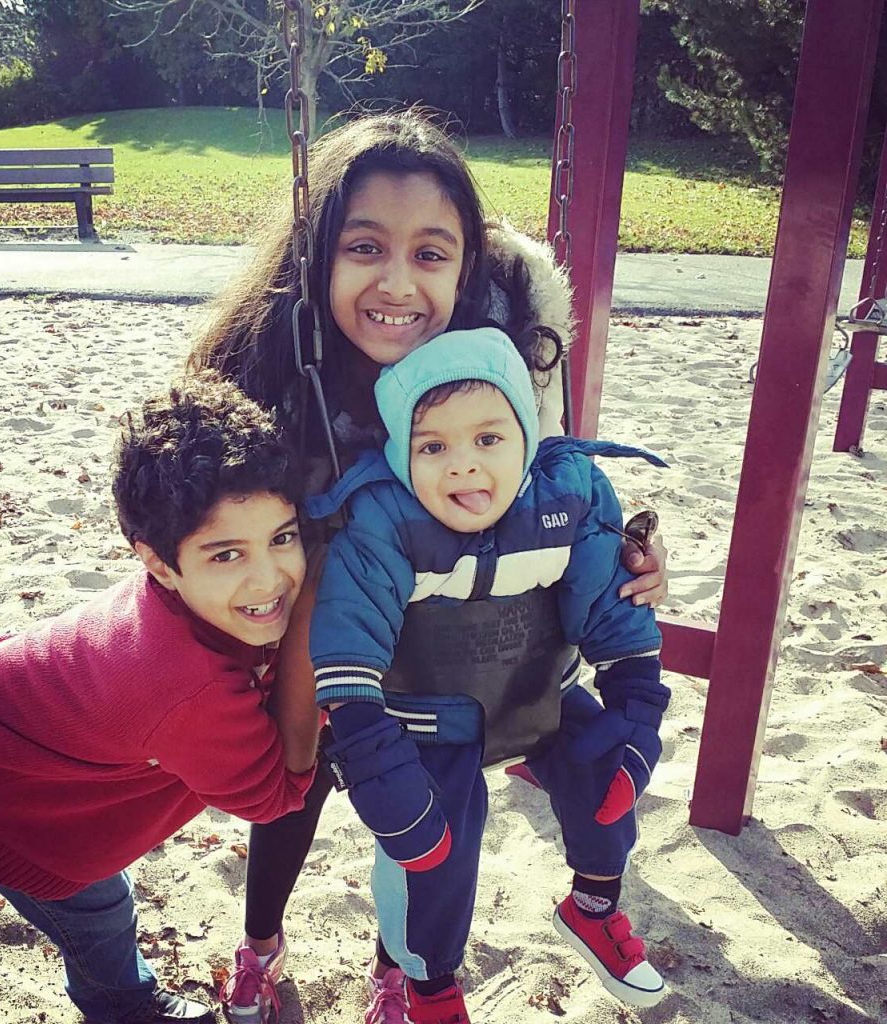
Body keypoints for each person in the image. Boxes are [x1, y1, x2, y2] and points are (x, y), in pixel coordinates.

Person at [188, 108, 669, 1024]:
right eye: (365, 248)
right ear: (318, 254)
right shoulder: (272, 361)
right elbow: (198, 522)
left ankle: (399, 972)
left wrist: (633, 549)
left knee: (423, 819)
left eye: (431, 254)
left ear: (467, 266)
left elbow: (551, 479)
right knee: (295, 786)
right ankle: (260, 944)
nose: (397, 283)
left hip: (453, 649)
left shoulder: (509, 348)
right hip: (317, 629)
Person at [0, 373, 320, 1024]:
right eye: (226, 554)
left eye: (283, 536)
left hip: (29, 800)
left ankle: (126, 1004)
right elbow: (276, 793)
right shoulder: (183, 681)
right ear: (157, 563)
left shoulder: (201, 607)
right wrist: (314, 620)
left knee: (102, 911)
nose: (270, 577)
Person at [309, 326, 670, 1020]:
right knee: (433, 842)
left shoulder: (567, 498)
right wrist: (362, 734)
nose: (464, 467)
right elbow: (349, 636)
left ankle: (592, 905)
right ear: (399, 455)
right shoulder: (384, 520)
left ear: (527, 440)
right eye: (433, 447)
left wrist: (635, 700)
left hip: (543, 695)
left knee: (610, 776)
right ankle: (431, 984)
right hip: (429, 716)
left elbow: (608, 601)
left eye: (488, 440)